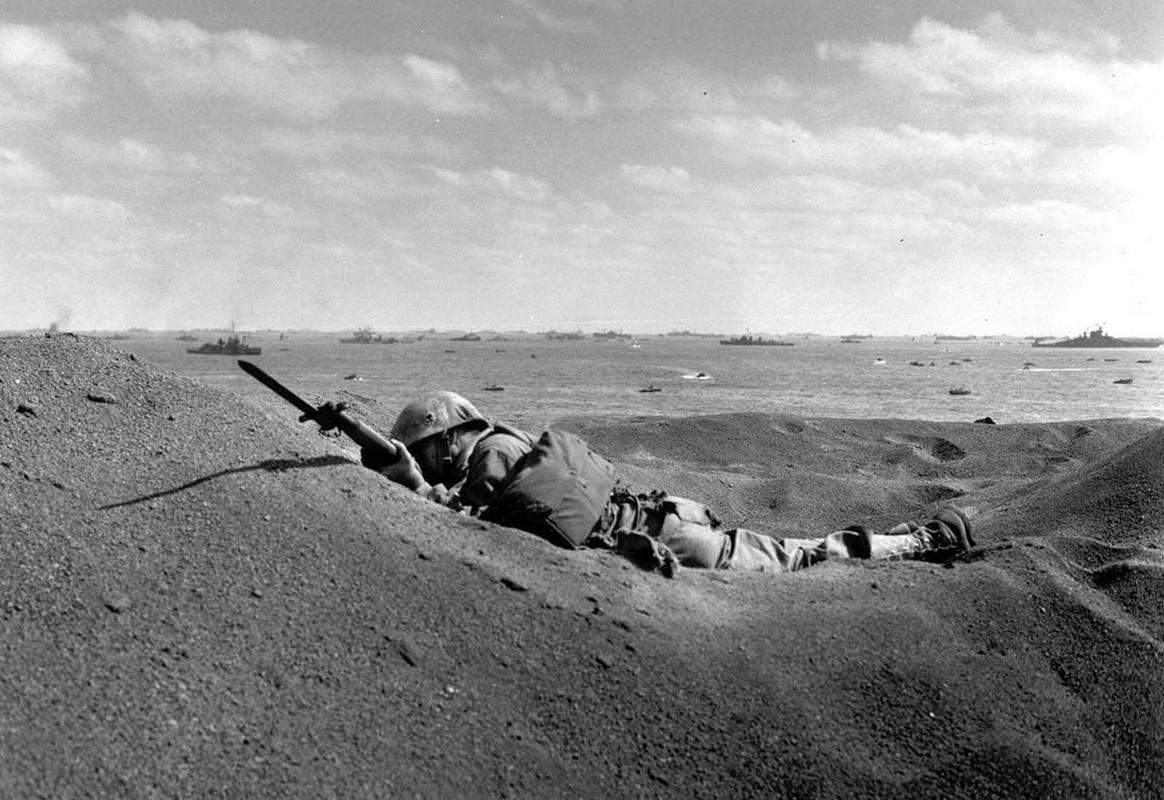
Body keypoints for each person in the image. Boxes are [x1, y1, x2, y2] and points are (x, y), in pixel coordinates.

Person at [360, 390, 974, 577]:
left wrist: (414, 487)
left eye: (424, 453)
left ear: (447, 438)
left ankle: (919, 543)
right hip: (664, 521)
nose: (427, 462)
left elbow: (473, 526)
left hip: (668, 537)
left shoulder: (493, 453)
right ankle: (906, 540)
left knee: (802, 561)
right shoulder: (506, 445)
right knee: (795, 554)